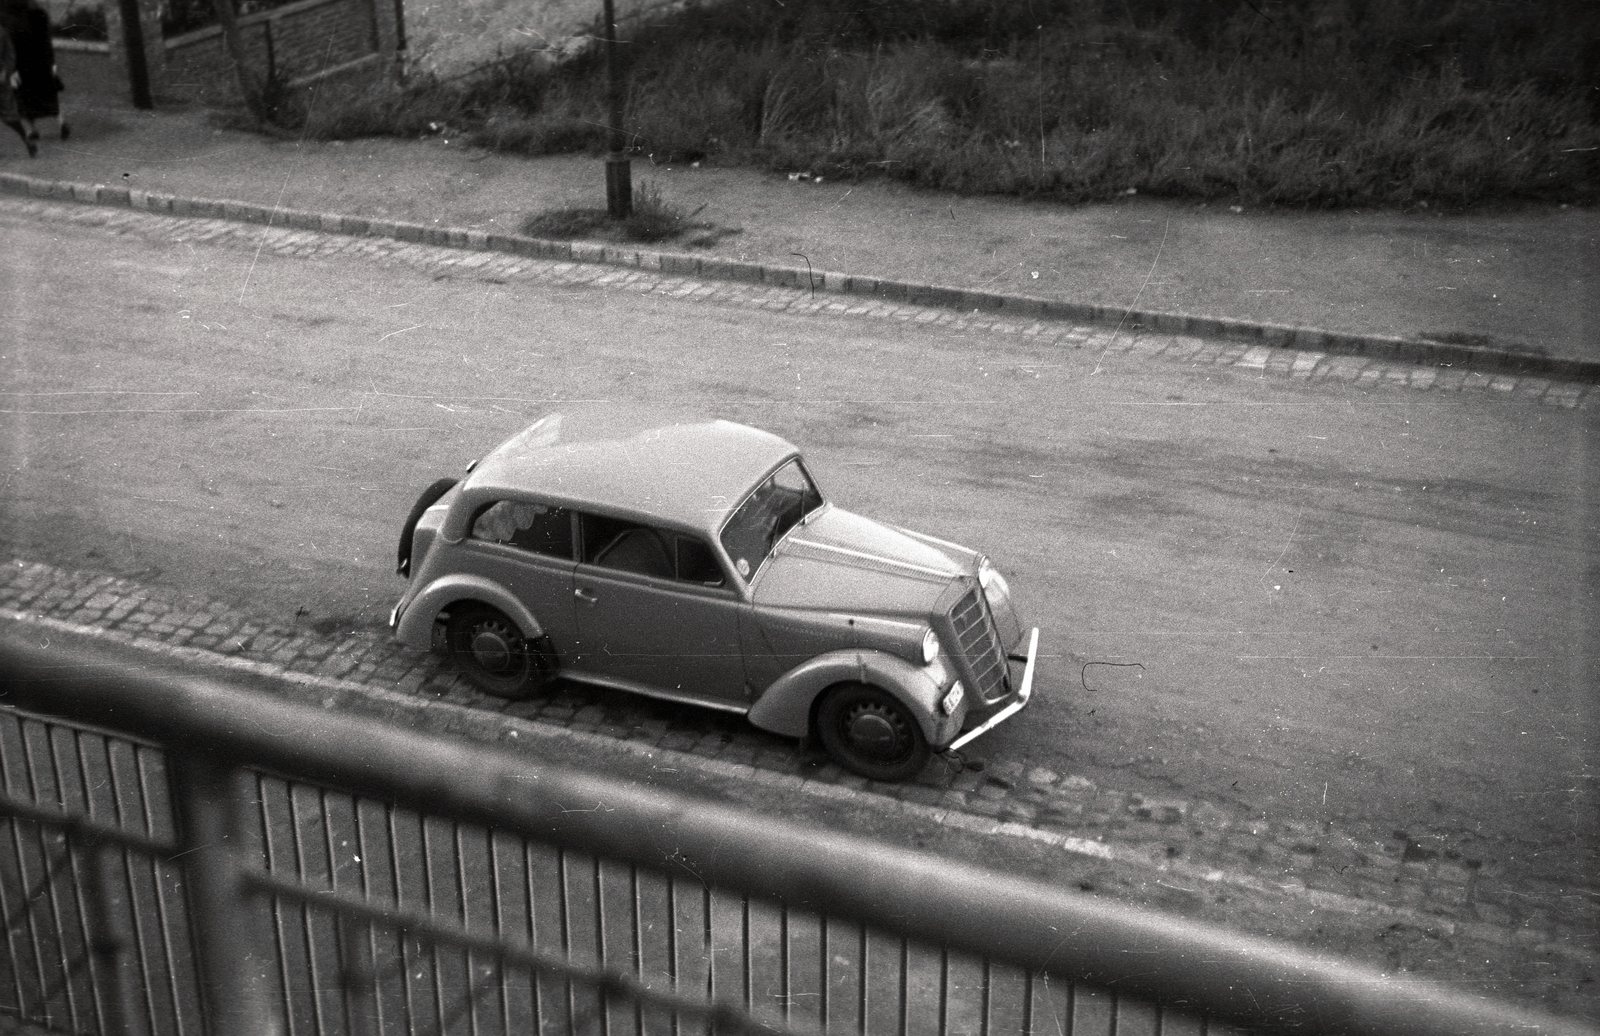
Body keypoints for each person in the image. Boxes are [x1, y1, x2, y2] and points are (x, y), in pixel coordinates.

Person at [3, 0, 63, 144]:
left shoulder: (10, 19)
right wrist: (51, 62)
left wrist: (13, 69)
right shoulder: (39, 15)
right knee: (48, 94)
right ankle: (61, 122)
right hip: (40, 63)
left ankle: (33, 129)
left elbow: (11, 46)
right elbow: (46, 41)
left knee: (25, 99)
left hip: (23, 65)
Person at [0, 24, 35, 157]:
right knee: (9, 114)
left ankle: (26, 139)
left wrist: (5, 72)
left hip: (1, 82)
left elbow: (10, 55)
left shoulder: (2, 32)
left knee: (9, 115)